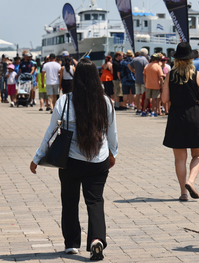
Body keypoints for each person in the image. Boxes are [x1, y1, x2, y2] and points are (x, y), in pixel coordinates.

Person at [30, 59, 118, 260]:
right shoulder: (106, 102)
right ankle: (97, 239)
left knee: (69, 200)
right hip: (99, 159)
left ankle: (71, 244)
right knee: (95, 200)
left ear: (76, 78)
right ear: (96, 79)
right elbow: (112, 133)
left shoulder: (65, 101)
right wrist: (112, 153)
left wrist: (37, 158)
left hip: (70, 160)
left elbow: (51, 132)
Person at [161, 42, 199, 201]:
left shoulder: (170, 75)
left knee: (180, 158)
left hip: (176, 116)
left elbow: (165, 99)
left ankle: (183, 193)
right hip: (194, 115)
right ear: (191, 59)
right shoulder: (198, 75)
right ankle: (191, 181)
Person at [129, 49, 149, 115]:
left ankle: (138, 108)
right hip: (143, 80)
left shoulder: (135, 59)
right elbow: (146, 69)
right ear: (146, 54)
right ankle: (142, 108)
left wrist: (133, 71)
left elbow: (129, 65)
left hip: (137, 79)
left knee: (137, 95)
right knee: (142, 95)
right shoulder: (145, 60)